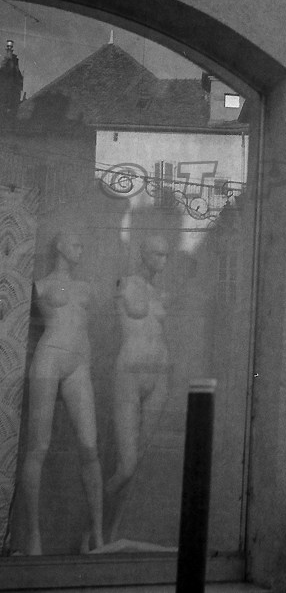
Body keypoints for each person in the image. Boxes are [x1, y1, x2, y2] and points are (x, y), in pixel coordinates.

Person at [20, 232, 104, 554]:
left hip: (79, 364)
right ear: (59, 245)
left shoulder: (86, 288)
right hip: (49, 358)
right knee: (38, 447)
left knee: (90, 446)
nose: (80, 248)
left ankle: (97, 534)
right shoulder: (40, 286)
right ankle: (34, 536)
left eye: (82, 243)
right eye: (75, 242)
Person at [105, 235, 171, 541]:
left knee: (138, 461)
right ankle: (92, 523)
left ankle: (113, 530)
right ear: (143, 254)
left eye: (165, 255)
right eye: (157, 254)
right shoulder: (125, 283)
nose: (162, 261)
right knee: (127, 466)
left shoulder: (161, 293)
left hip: (159, 376)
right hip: (129, 374)